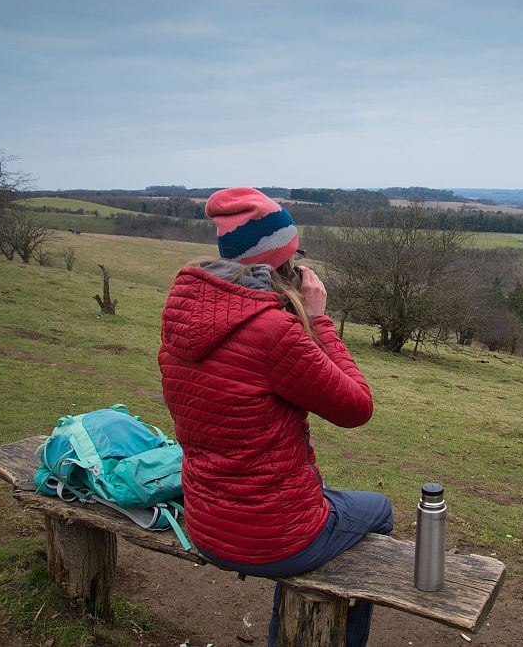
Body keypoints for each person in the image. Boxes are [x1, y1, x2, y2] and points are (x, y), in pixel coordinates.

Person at [158, 187, 393, 647]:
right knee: (379, 511)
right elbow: (356, 408)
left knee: (323, 498)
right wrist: (320, 319)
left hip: (205, 521)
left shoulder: (186, 313)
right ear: (285, 261)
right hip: (271, 537)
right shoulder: (272, 331)